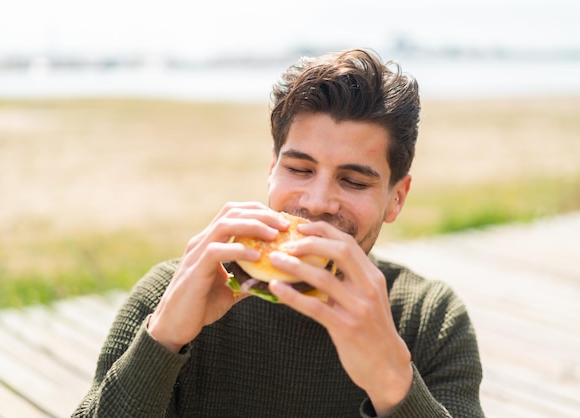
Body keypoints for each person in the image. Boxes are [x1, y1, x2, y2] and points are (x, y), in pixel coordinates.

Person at [73, 48, 484, 417]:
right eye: (299, 170)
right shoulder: (174, 293)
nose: (318, 201)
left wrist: (394, 385)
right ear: (272, 169)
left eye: (354, 181)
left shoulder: (430, 318)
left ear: (397, 198)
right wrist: (162, 340)